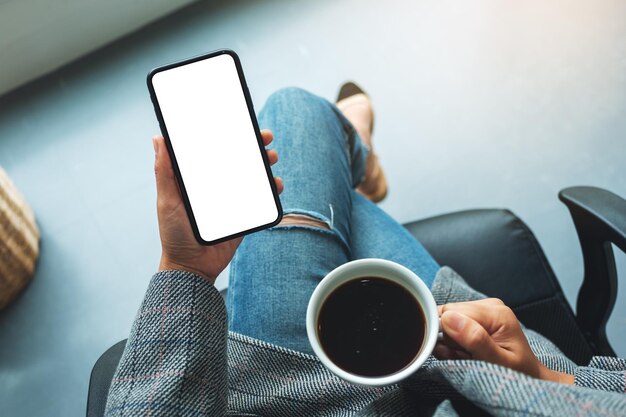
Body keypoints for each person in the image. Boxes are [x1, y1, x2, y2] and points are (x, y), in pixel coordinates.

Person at [105, 85, 626, 416]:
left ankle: (356, 151)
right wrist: (546, 377)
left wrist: (185, 269)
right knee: (309, 146)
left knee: (296, 112)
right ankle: (357, 158)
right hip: (497, 377)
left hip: (295, 394)